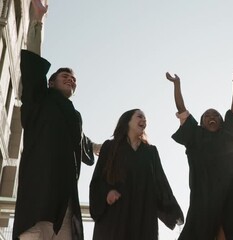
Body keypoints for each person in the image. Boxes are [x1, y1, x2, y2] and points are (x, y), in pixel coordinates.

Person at [13, 0, 100, 239]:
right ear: (51, 81)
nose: (71, 80)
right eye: (65, 76)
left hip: (65, 200)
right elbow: (32, 63)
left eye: (74, 79)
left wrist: (101, 147)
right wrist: (37, 21)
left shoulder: (74, 117)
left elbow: (83, 143)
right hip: (39, 194)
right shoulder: (40, 98)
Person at [166, 69, 233, 240]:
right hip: (203, 197)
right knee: (199, 232)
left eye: (216, 115)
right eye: (207, 115)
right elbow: (182, 110)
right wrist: (177, 85)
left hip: (230, 196)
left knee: (231, 231)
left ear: (222, 121)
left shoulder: (229, 136)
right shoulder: (195, 137)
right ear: (201, 122)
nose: (212, 117)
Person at [89, 109, 184, 240]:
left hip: (143, 215)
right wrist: (107, 193)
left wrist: (172, 211)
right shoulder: (110, 147)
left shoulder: (150, 152)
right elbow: (97, 180)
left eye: (145, 119)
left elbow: (160, 183)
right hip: (116, 215)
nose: (144, 120)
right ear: (127, 121)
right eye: (139, 116)